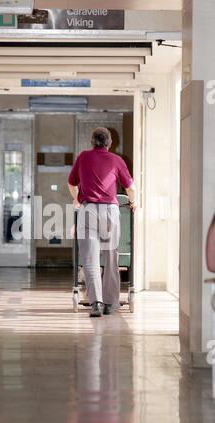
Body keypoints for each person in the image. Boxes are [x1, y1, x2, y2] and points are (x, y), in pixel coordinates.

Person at [68, 127, 136, 318]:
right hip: (110, 212)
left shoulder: (83, 157)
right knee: (111, 257)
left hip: (88, 210)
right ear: (109, 143)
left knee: (90, 259)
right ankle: (110, 303)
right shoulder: (116, 160)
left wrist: (77, 199)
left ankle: (96, 303)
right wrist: (133, 202)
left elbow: (71, 183)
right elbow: (131, 188)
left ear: (92, 142)